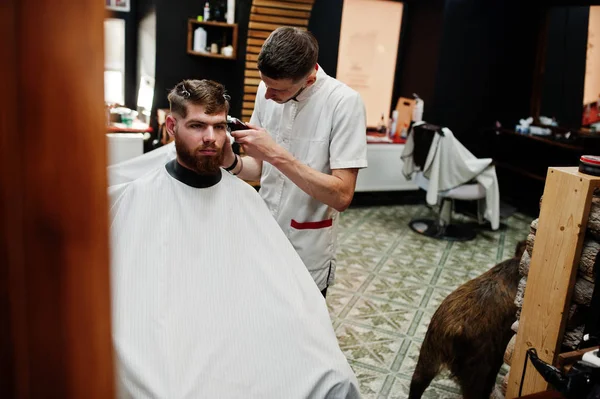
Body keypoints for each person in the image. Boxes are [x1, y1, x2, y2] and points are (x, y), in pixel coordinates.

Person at [109, 79, 360, 398]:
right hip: (171, 337)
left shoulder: (245, 199)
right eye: (197, 126)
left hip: (238, 337)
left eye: (217, 126)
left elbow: (286, 295)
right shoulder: (137, 198)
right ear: (172, 125)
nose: (210, 138)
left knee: (332, 376)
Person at [222, 27, 368, 297]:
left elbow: (342, 196)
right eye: (264, 84)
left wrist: (276, 153)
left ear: (309, 78)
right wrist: (231, 161)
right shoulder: (268, 91)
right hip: (262, 235)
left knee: (300, 333)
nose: (267, 95)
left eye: (277, 89)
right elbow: (260, 168)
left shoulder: (344, 103)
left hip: (307, 246)